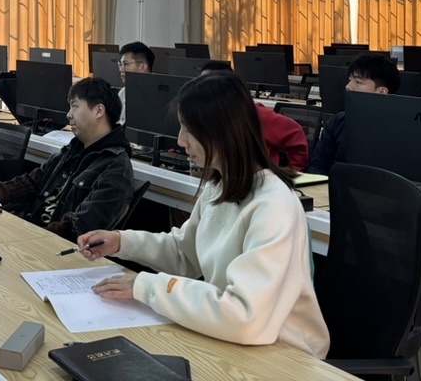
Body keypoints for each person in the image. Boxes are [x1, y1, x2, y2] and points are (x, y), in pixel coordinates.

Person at [79, 71, 329, 358]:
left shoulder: (273, 205)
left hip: (285, 355)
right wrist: (122, 242)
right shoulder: (219, 185)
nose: (181, 141)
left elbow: (246, 315)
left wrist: (146, 286)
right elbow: (185, 254)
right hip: (236, 338)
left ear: (222, 131)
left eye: (189, 129)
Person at [0, 77, 134, 242]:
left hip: (50, 245)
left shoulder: (116, 169)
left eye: (75, 106)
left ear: (99, 111)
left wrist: (29, 237)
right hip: (31, 232)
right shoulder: (74, 150)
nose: (69, 115)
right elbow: (33, 182)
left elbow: (79, 227)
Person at [198, 60, 308, 171]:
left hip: (262, 177)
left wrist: (293, 172)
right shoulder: (211, 116)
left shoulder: (257, 115)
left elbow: (296, 134)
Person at [306, 53, 400, 175]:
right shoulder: (338, 121)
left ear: (382, 92)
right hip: (334, 185)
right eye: (350, 80)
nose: (348, 87)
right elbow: (316, 164)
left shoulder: (398, 130)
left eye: (358, 82)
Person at [117, 42, 154, 126]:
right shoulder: (123, 92)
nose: (121, 69)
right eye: (120, 65)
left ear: (142, 66)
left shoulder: (156, 96)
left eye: (125, 64)